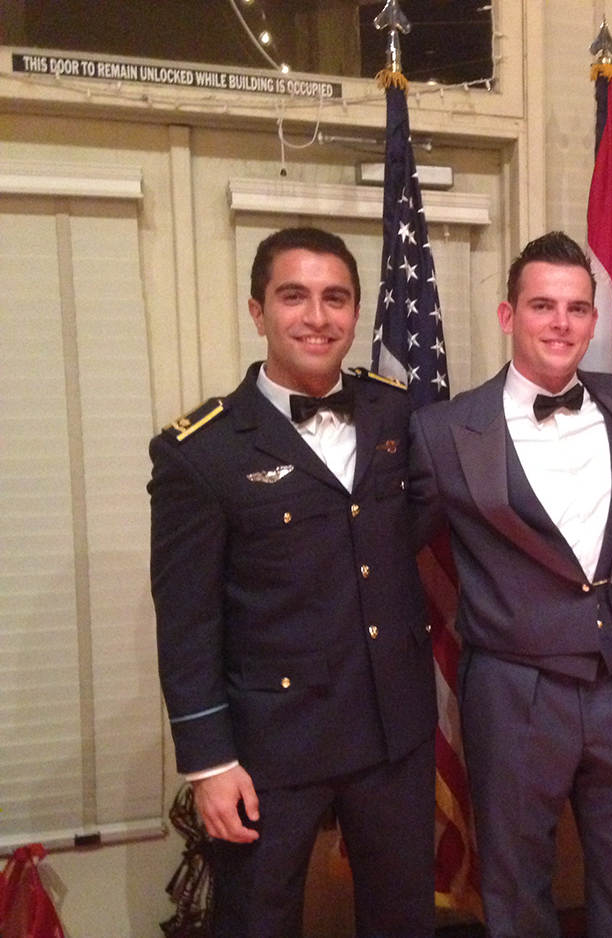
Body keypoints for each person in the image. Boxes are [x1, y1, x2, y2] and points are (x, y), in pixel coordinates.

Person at [149, 227, 435, 938]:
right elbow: (186, 621)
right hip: (271, 745)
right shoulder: (203, 451)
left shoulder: (397, 412)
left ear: (356, 312)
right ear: (257, 311)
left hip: (392, 730)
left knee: (403, 920)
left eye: (335, 298)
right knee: (256, 922)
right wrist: (208, 762)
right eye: (293, 297)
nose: (316, 317)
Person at [408, 231, 612, 937]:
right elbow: (394, 553)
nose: (561, 323)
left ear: (594, 320)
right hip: (513, 694)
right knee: (517, 893)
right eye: (543, 305)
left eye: (577, 308)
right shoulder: (444, 431)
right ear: (508, 315)